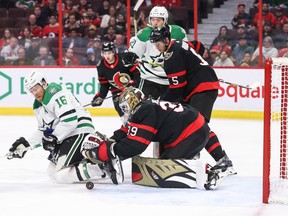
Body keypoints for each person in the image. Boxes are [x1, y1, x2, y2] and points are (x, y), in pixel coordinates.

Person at [81, 87, 227, 189]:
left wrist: (108, 152)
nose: (124, 111)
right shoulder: (146, 107)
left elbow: (136, 146)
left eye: (125, 107)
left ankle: (209, 173)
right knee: (162, 162)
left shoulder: (145, 111)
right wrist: (111, 142)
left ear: (132, 103)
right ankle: (190, 156)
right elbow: (127, 131)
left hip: (191, 132)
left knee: (166, 168)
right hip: (190, 128)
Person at [7, 71, 123, 184]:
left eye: (36, 88)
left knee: (60, 175)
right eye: (31, 91)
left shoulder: (54, 92)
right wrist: (26, 144)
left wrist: (54, 138)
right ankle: (90, 158)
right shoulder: (38, 106)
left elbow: (70, 121)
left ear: (43, 83)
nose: (35, 93)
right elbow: (43, 131)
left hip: (78, 131)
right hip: (67, 136)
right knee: (52, 172)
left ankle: (101, 166)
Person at [148, 26, 236, 176]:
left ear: (166, 40)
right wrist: (198, 67)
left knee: (199, 126)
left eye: (158, 43)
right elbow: (199, 46)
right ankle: (197, 153)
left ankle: (223, 160)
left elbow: (177, 89)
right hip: (203, 85)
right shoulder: (180, 43)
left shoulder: (171, 57)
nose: (157, 47)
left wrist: (160, 102)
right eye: (155, 44)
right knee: (193, 125)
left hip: (202, 89)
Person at [122, 6, 188, 100]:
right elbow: (132, 56)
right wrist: (129, 57)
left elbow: (187, 52)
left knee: (172, 112)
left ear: (165, 20)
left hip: (172, 79)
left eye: (158, 20)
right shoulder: (144, 34)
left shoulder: (178, 32)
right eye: (153, 19)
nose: (155, 22)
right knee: (145, 111)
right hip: (149, 79)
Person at [91, 42, 140, 123]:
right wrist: (100, 97)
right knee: (121, 112)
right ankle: (127, 127)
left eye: (109, 53)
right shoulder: (101, 66)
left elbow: (137, 73)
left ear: (114, 52)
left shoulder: (123, 58)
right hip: (117, 93)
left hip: (131, 89)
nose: (107, 56)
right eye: (105, 53)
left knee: (136, 109)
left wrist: (134, 84)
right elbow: (104, 85)